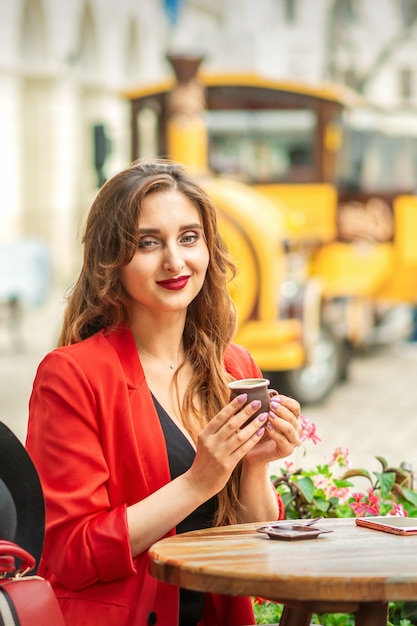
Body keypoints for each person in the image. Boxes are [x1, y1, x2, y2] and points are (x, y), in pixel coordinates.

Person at [25, 159, 301, 626]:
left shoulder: (234, 366)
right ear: (112, 259)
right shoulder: (72, 376)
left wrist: (254, 465)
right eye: (148, 243)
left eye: (189, 238)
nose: (175, 261)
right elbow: (71, 553)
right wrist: (198, 481)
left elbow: (253, 537)